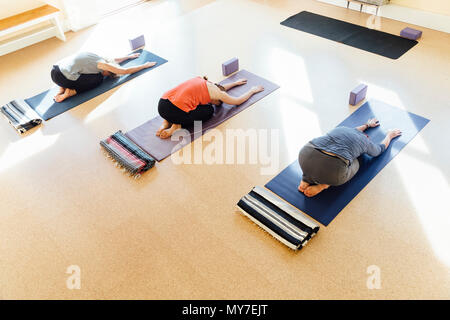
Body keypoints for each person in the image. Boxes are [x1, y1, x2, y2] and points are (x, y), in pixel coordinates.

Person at [297, 118, 402, 197]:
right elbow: (380, 149)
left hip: (305, 154)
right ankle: (323, 185)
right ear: (367, 137)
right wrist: (389, 135)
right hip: (333, 172)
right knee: (357, 161)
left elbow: (355, 130)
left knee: (317, 161)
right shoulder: (365, 142)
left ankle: (305, 178)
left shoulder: (342, 129)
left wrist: (367, 125)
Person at [156, 76, 264, 138]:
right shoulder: (219, 94)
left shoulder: (203, 81)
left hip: (162, 105)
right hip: (175, 111)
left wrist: (235, 83)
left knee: (186, 102)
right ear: (217, 99)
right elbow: (237, 101)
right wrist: (252, 90)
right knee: (208, 110)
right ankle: (176, 126)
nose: (210, 102)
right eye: (214, 102)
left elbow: (219, 88)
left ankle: (166, 123)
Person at [51, 52, 156, 102]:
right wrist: (144, 65)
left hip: (54, 71)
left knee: (80, 69)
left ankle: (62, 88)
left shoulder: (97, 57)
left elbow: (113, 59)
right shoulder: (102, 66)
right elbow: (125, 71)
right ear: (109, 70)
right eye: (109, 74)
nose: (106, 75)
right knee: (97, 79)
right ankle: (70, 92)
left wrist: (128, 57)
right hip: (63, 78)